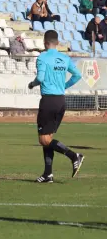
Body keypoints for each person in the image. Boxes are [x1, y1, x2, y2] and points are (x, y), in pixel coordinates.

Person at [28, 30, 84, 183]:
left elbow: (40, 78)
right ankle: (48, 174)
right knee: (48, 137)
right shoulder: (64, 58)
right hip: (61, 101)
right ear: (57, 43)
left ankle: (74, 156)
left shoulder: (43, 57)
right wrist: (64, 85)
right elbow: (78, 75)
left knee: (43, 140)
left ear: (45, 43)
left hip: (48, 101)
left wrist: (32, 84)